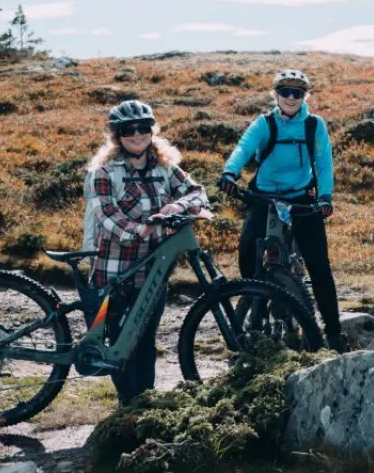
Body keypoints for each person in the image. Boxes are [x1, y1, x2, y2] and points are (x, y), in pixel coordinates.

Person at [85, 100, 209, 405]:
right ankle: (127, 405)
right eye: (129, 130)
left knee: (145, 340)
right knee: (117, 342)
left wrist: (175, 207)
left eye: (144, 128)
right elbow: (107, 217)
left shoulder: (164, 168)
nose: (137, 135)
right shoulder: (104, 172)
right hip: (113, 269)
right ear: (117, 136)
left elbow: (197, 193)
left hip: (152, 271)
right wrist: (141, 229)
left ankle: (144, 403)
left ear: (152, 131)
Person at [217, 69, 344, 351]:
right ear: (275, 95)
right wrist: (229, 173)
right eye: (284, 92)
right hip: (265, 197)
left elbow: (324, 163)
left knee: (319, 267)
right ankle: (254, 297)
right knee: (248, 249)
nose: (290, 97)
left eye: (296, 93)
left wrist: (325, 197)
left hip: (302, 199)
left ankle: (335, 333)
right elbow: (243, 148)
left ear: (303, 97)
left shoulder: (314, 125)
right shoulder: (265, 124)